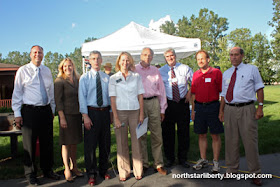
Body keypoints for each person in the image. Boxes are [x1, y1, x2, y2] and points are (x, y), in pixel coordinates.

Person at [12, 45, 60, 186]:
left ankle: (47, 170)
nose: (37, 55)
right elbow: (17, 93)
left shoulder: (46, 71)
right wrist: (17, 113)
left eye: (40, 52)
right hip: (29, 111)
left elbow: (50, 92)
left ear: (43, 55)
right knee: (30, 144)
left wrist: (52, 109)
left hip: (45, 111)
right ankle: (30, 175)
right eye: (35, 52)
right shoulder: (23, 71)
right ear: (30, 54)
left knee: (47, 143)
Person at [219, 47, 264, 186]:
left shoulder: (252, 69)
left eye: (236, 55)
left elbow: (259, 88)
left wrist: (260, 107)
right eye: (231, 55)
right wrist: (221, 111)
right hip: (230, 110)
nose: (233, 57)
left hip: (247, 109)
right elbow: (223, 95)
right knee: (231, 141)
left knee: (250, 141)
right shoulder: (226, 73)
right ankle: (232, 168)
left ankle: (255, 173)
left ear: (242, 55)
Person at [109, 52, 144, 181]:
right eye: (123, 60)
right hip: (120, 112)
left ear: (130, 62)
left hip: (135, 112)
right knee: (121, 142)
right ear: (119, 62)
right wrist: (115, 117)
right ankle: (123, 172)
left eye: (127, 60)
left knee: (137, 142)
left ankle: (138, 170)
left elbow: (140, 96)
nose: (125, 62)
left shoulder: (136, 76)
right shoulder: (113, 78)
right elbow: (112, 99)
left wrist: (141, 113)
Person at [79, 51, 111, 186]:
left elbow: (110, 96)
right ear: (89, 61)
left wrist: (110, 113)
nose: (96, 61)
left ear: (102, 60)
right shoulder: (84, 78)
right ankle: (91, 174)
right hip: (91, 113)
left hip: (104, 113)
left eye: (98, 58)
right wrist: (85, 116)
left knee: (105, 144)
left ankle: (103, 170)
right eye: (93, 59)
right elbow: (82, 97)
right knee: (90, 146)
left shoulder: (107, 78)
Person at [135, 47, 167, 175]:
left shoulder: (155, 70)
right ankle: (143, 163)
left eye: (150, 55)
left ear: (152, 57)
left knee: (157, 135)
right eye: (145, 55)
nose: (147, 57)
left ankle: (158, 164)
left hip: (154, 103)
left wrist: (162, 109)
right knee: (141, 135)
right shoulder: (134, 69)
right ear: (141, 55)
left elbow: (162, 90)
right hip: (139, 104)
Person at [159, 48, 193, 168]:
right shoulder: (161, 71)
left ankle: (183, 159)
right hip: (168, 104)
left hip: (182, 103)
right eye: (167, 56)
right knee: (168, 133)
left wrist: (190, 92)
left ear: (175, 55)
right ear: (165, 58)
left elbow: (194, 82)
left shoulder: (185, 68)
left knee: (184, 132)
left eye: (171, 55)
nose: (170, 58)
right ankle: (170, 159)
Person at [191, 50, 224, 173]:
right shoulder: (195, 74)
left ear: (208, 59)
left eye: (202, 58)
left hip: (213, 107)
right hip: (199, 107)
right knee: (201, 134)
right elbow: (193, 94)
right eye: (198, 59)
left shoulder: (216, 73)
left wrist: (221, 111)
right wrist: (193, 111)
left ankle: (215, 162)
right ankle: (203, 159)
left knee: (215, 134)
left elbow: (223, 93)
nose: (200, 61)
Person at [54, 58, 83, 183]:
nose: (68, 68)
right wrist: (62, 118)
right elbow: (58, 101)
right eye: (65, 66)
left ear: (73, 66)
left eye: (70, 66)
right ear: (62, 68)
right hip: (66, 116)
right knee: (66, 143)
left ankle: (74, 166)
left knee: (74, 143)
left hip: (76, 116)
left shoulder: (77, 79)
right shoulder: (59, 81)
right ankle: (66, 168)